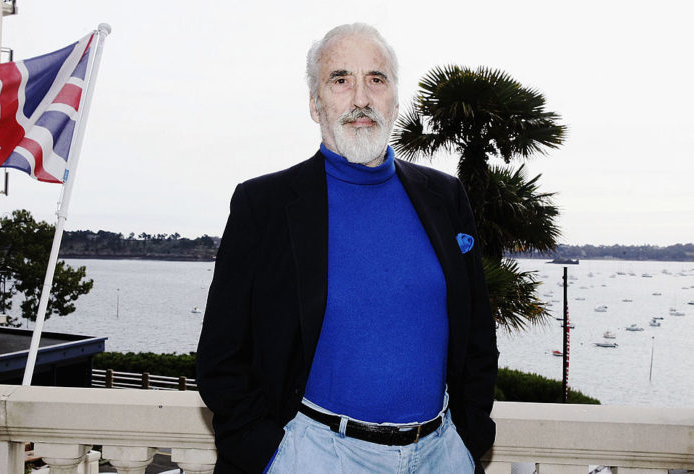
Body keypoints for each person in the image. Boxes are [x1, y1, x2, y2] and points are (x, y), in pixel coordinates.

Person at [197, 23, 498, 474]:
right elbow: (221, 356)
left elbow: (477, 334)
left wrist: (466, 442)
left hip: (439, 456)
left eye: (376, 79)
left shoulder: (446, 198)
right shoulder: (264, 206)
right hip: (314, 457)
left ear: (395, 99)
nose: (361, 98)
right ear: (316, 105)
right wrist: (271, 458)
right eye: (341, 80)